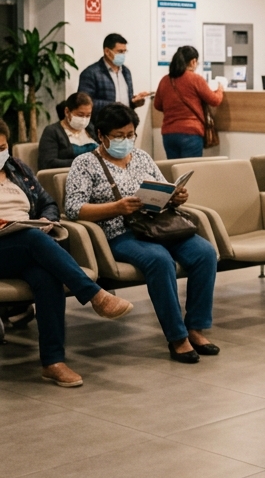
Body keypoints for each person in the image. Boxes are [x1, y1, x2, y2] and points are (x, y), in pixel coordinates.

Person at [63, 102, 220, 363]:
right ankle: (177, 337)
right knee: (159, 260)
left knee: (205, 252)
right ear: (101, 135)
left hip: (159, 226)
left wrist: (174, 196)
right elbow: (74, 208)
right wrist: (117, 207)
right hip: (119, 233)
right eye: (118, 136)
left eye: (130, 135)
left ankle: (196, 327)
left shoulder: (142, 157)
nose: (126, 141)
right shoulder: (85, 163)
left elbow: (162, 187)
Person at [0, 119, 133, 387]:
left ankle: (53, 362)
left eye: (2, 146)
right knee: (33, 240)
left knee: (45, 276)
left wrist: (48, 220)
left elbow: (47, 202)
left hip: (24, 242)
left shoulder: (18, 170)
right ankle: (95, 295)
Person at [153, 46, 224, 159]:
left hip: (168, 134)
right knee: (190, 171)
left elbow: (157, 105)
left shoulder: (165, 80)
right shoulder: (195, 79)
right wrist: (220, 90)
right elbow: (215, 100)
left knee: (175, 171)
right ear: (193, 61)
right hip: (191, 132)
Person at [77, 33, 149, 119]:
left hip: (125, 122)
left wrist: (134, 102)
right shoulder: (91, 73)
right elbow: (84, 103)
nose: (123, 55)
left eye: (124, 51)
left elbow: (126, 103)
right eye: (120, 52)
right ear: (107, 51)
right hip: (103, 124)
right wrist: (114, 105)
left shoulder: (126, 72)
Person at [37, 92, 98, 169]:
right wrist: (83, 163)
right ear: (67, 112)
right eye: (80, 115)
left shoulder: (90, 129)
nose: (84, 119)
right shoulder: (52, 131)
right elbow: (47, 163)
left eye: (88, 115)